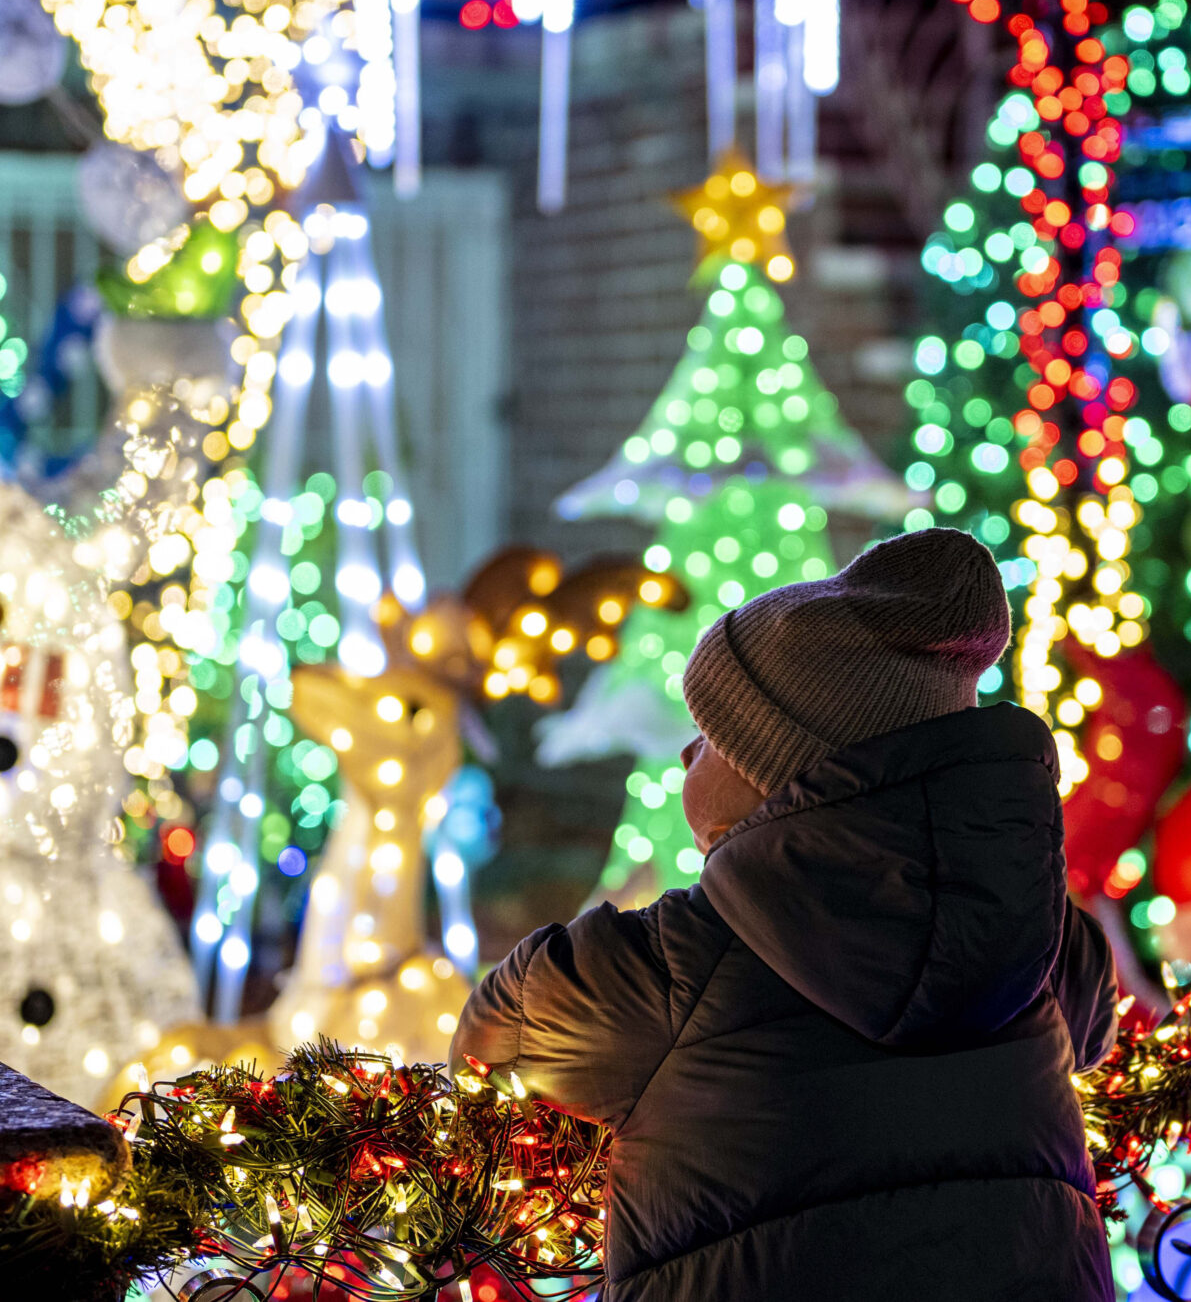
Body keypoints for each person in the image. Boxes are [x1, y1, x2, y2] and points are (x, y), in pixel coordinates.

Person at [452, 528, 1117, 1302]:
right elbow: (1094, 1026)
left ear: (779, 782)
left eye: (710, 738)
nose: (685, 756)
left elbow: (491, 1042)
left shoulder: (666, 972)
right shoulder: (1041, 940)